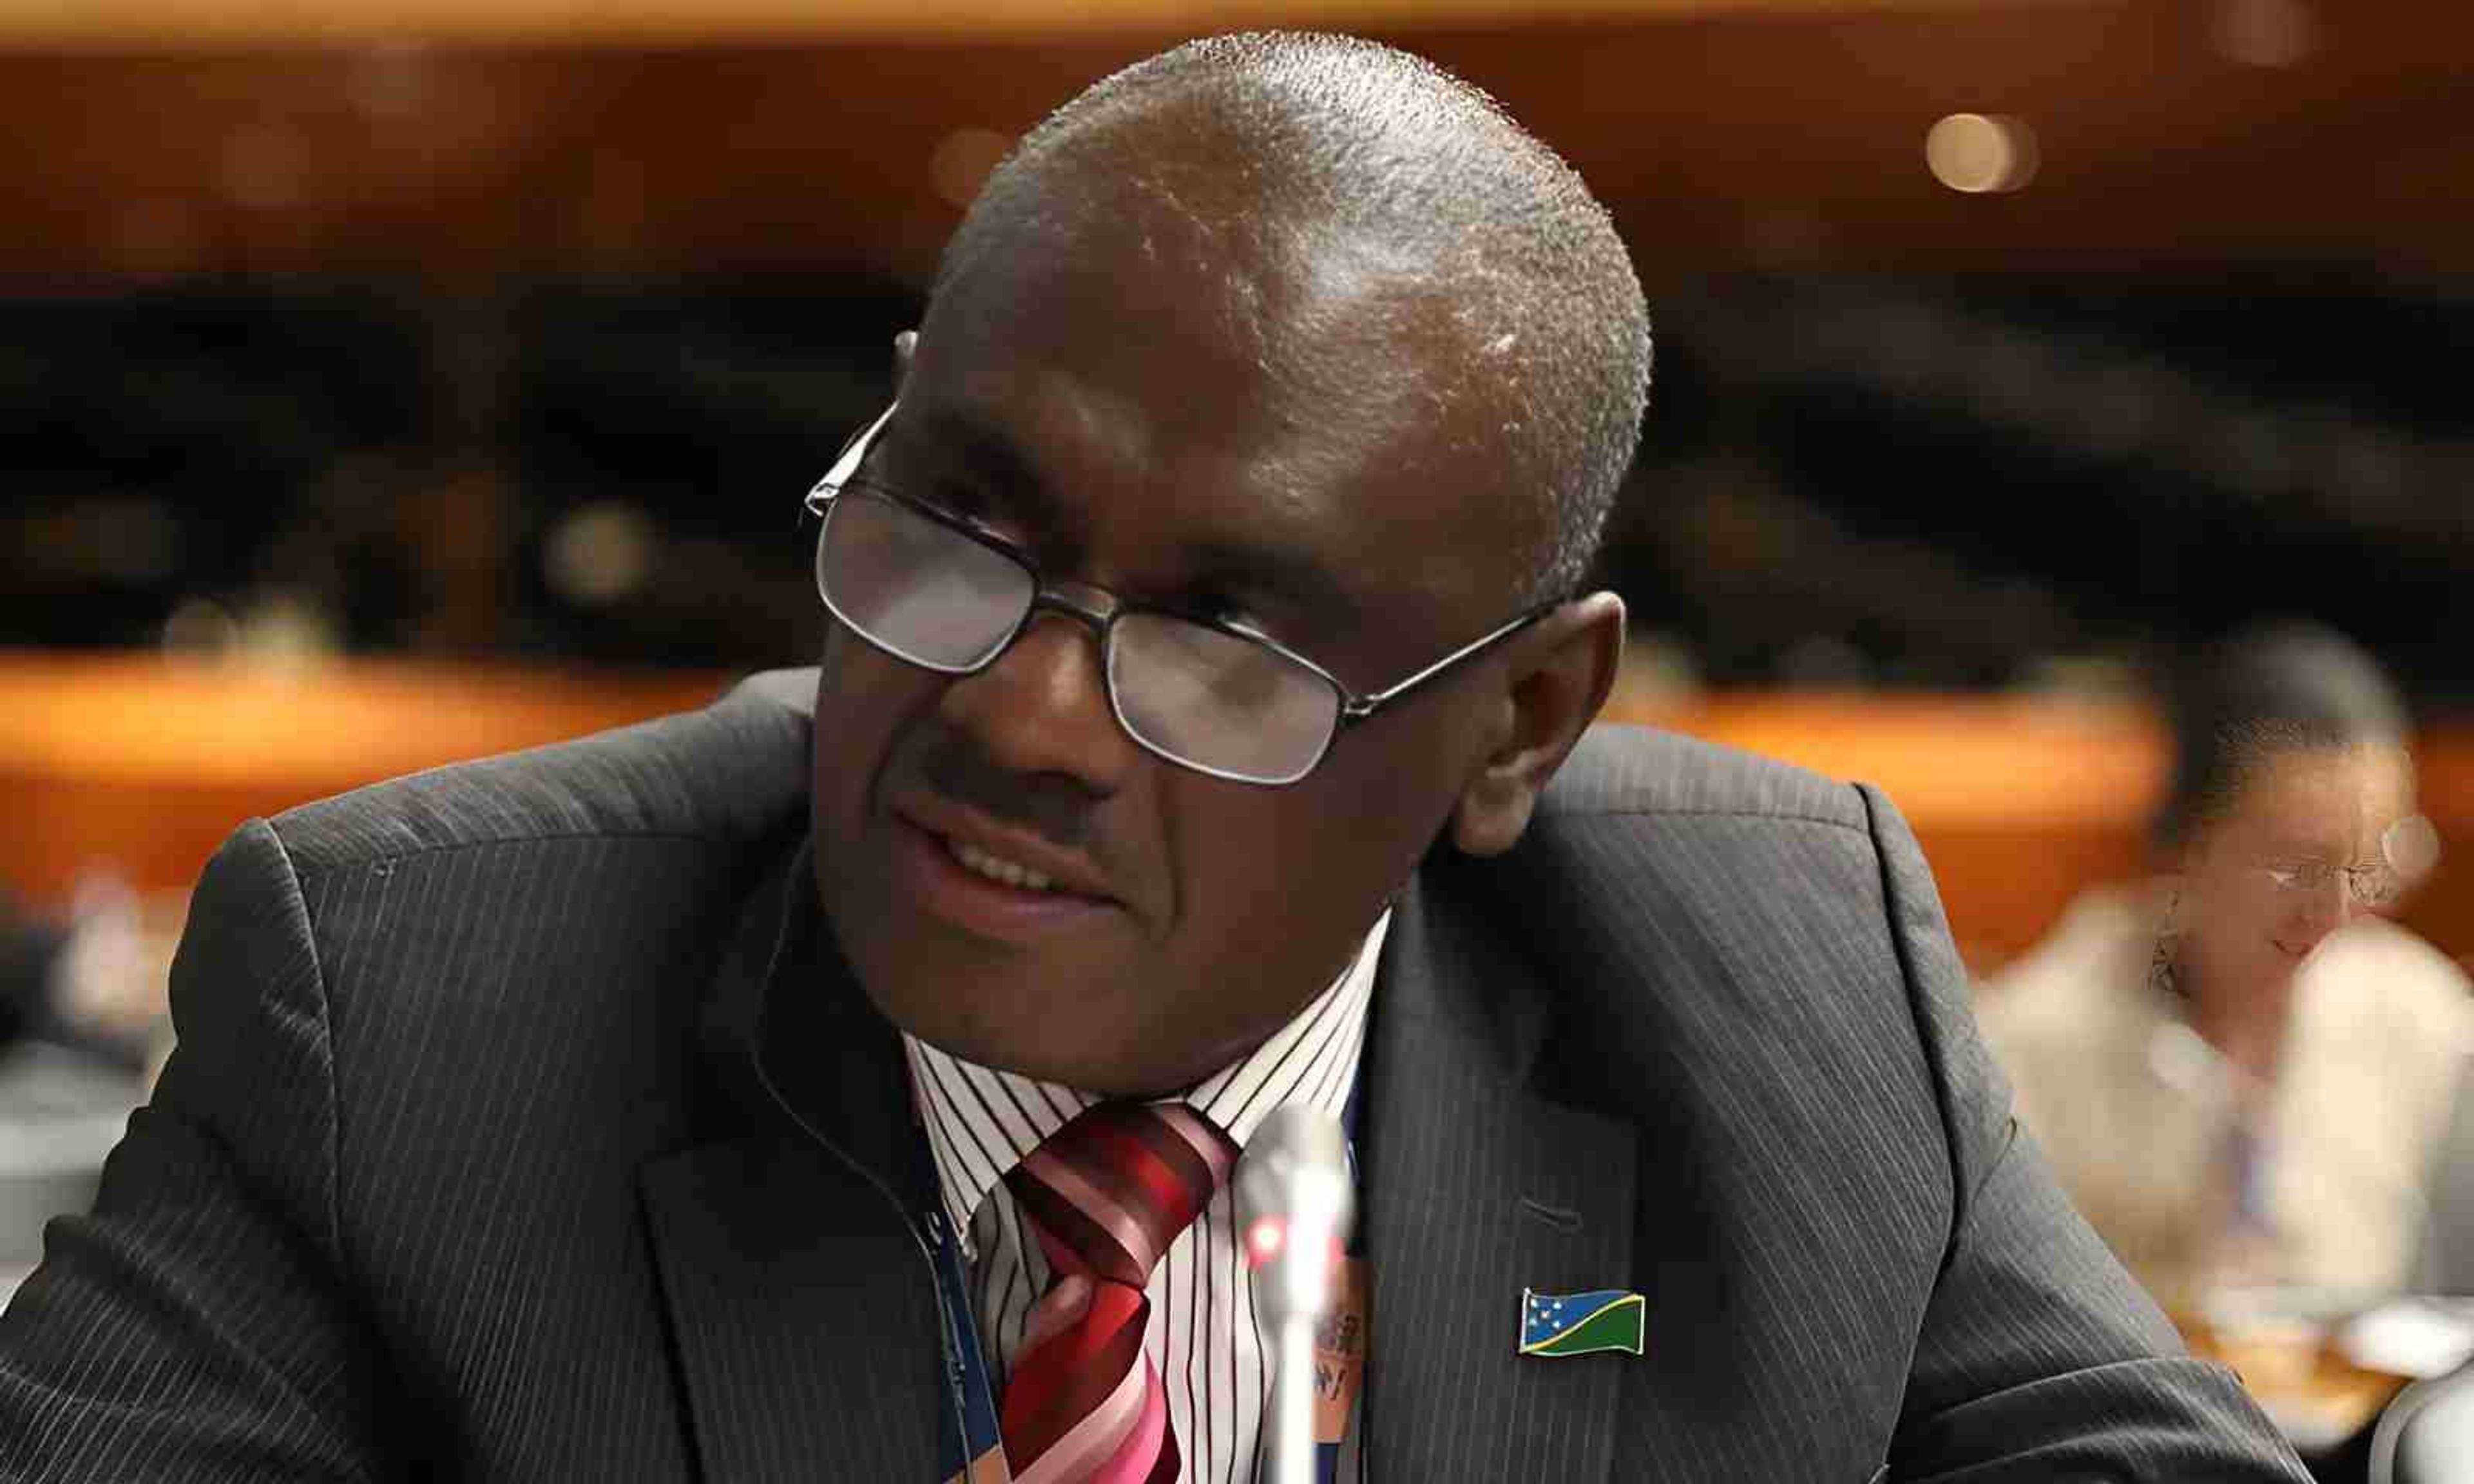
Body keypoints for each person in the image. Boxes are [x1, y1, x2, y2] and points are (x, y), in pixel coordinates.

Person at [0, 33, 2303, 1483]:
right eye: (957, 530)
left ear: (1516, 724)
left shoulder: (1783, 969)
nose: (1015, 715)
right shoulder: (404, 993)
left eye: (1223, 645)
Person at [1981, 623, 2474, 1311]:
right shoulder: (2030, 1046)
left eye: (2374, 860)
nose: (2336, 912)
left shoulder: (2423, 1018)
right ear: (2187, 841)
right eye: (2297, 867)